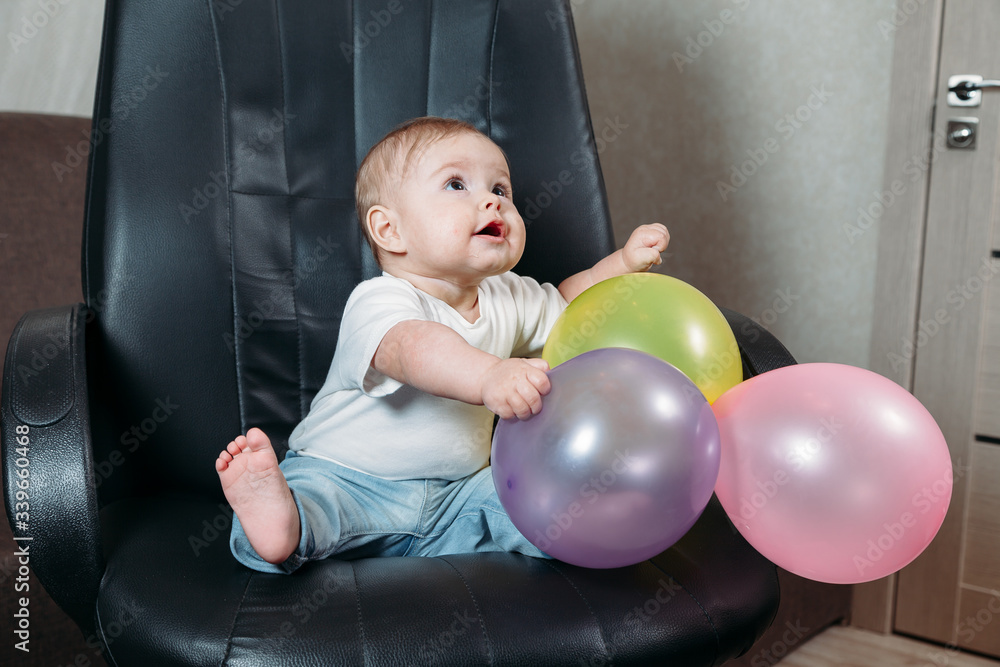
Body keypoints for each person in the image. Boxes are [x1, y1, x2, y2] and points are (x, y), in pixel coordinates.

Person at [216, 116, 669, 573]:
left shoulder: (508, 293)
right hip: (349, 479)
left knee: (533, 503)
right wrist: (489, 375)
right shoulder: (380, 299)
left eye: (501, 189)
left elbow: (571, 306)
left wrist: (620, 266)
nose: (491, 200)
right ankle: (281, 526)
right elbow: (412, 350)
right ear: (389, 230)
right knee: (309, 508)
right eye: (456, 185)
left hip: (456, 496)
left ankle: (594, 524)